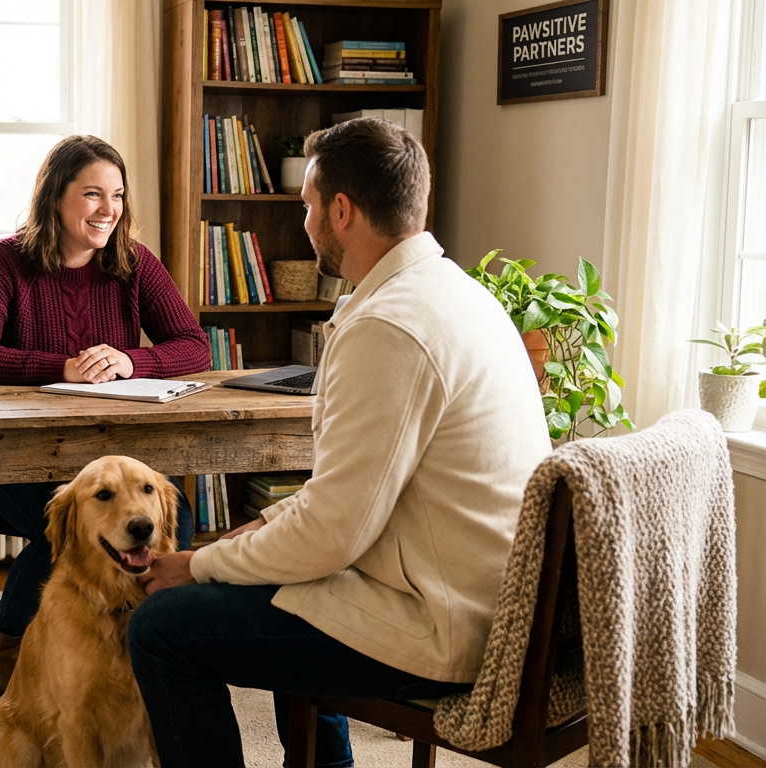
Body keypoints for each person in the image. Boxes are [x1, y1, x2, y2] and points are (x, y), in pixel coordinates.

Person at [129, 117, 552, 767]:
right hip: (478, 599)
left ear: (342, 210)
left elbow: (332, 537)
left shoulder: (389, 325)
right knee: (282, 582)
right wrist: (248, 535)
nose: (304, 223)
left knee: (161, 630)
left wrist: (196, 564)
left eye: (306, 207)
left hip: (443, 627)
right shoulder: (458, 295)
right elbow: (353, 495)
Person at [0, 134, 211, 690]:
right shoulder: (5, 261)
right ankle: (9, 648)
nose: (108, 209)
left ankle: (144, 643)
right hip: (7, 460)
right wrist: (61, 367)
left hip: (105, 460)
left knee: (176, 516)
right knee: (63, 523)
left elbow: (193, 345)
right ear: (55, 198)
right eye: (92, 194)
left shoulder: (134, 264)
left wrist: (132, 361)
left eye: (116, 195)